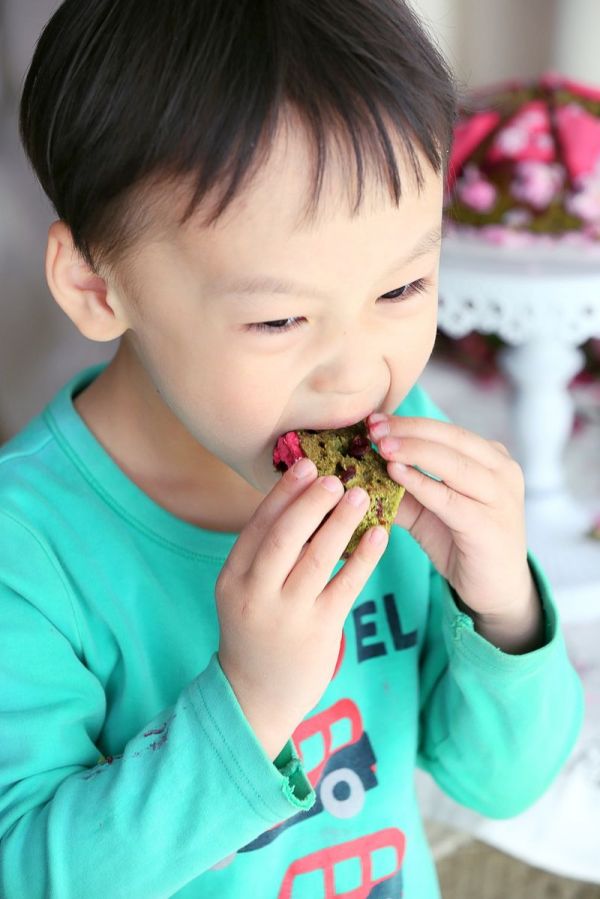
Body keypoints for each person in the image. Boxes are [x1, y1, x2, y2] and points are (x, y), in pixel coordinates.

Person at [0, 1, 584, 896]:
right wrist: (251, 699)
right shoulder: (28, 553)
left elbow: (504, 782)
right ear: (96, 286)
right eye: (278, 319)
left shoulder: (405, 443)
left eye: (402, 288)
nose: (356, 374)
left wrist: (502, 608)